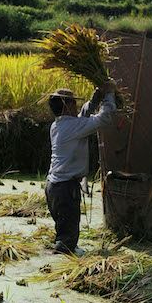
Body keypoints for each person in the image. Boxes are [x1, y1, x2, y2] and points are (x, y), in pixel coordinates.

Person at [45, 80, 117, 254]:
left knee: (65, 232)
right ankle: (61, 262)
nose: (76, 105)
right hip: (65, 189)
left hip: (54, 188)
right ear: (66, 105)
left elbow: (81, 118)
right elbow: (104, 118)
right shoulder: (72, 126)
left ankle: (64, 252)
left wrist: (95, 99)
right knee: (66, 241)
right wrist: (109, 94)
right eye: (73, 102)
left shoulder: (58, 125)